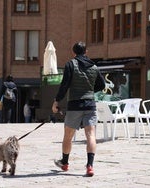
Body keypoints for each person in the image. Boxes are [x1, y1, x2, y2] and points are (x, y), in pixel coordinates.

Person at [52, 41, 105, 176]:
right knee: (91, 135)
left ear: (73, 52)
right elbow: (102, 84)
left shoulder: (71, 64)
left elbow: (64, 85)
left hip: (75, 105)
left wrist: (57, 101)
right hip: (90, 104)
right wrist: (90, 90)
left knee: (68, 136)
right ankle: (90, 166)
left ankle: (64, 162)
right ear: (86, 52)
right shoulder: (94, 66)